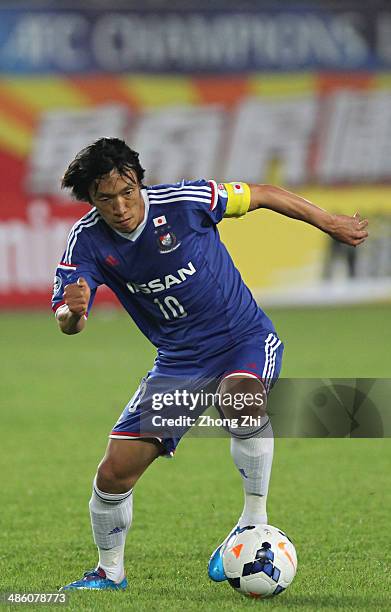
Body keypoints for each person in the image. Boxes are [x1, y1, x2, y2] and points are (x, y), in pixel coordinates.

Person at [52, 137, 368, 591]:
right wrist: (74, 312)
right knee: (113, 473)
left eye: (128, 192)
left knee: (239, 397)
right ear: (91, 201)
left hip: (243, 338)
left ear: (140, 182)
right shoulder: (85, 241)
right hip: (180, 361)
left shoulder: (185, 202)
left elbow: (262, 194)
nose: (121, 206)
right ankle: (109, 573)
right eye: (106, 199)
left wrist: (327, 221)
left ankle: (251, 525)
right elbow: (67, 321)